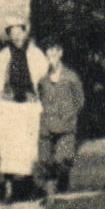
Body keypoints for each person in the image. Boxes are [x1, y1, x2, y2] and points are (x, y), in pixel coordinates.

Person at [0, 19, 46, 201]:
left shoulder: (36, 55)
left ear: (26, 32)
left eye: (20, 31)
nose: (17, 36)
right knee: (8, 147)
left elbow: (43, 82)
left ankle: (28, 185)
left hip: (29, 106)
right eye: (13, 32)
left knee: (28, 147)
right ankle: (9, 188)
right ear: (9, 35)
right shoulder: (3, 56)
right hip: (9, 107)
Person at [34, 40, 83, 196]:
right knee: (45, 161)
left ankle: (62, 184)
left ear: (61, 53)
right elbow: (38, 98)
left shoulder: (71, 76)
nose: (52, 53)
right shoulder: (42, 78)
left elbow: (79, 100)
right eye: (49, 50)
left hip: (66, 125)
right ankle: (51, 198)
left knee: (62, 159)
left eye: (55, 50)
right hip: (47, 125)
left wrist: (70, 115)